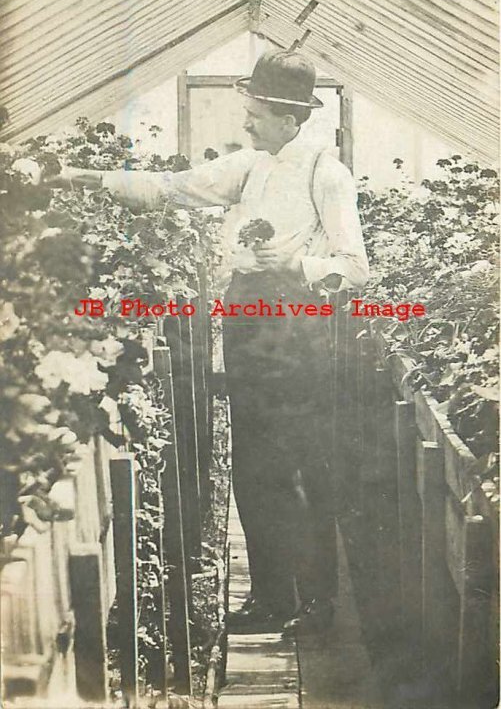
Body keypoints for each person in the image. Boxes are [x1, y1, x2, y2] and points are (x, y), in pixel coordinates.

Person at [59, 51, 370, 634]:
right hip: (250, 326)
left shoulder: (325, 174)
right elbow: (173, 189)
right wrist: (88, 179)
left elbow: (355, 269)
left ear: (286, 116)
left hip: (298, 330)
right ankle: (271, 597)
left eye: (254, 113)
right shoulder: (250, 166)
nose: (246, 123)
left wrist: (299, 263)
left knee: (302, 469)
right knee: (254, 467)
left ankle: (317, 602)